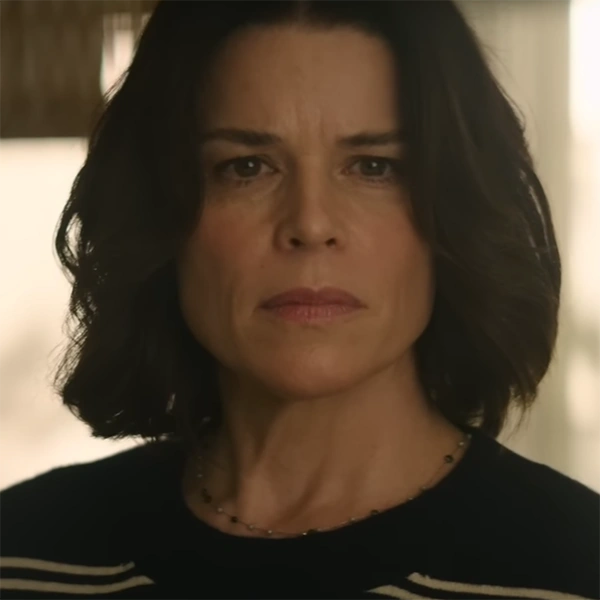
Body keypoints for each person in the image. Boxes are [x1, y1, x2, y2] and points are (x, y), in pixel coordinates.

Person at [1, 0, 599, 598]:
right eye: (247, 167)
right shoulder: (22, 551)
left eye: (374, 167)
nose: (310, 224)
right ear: (159, 216)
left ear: (456, 213)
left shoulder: (574, 567)